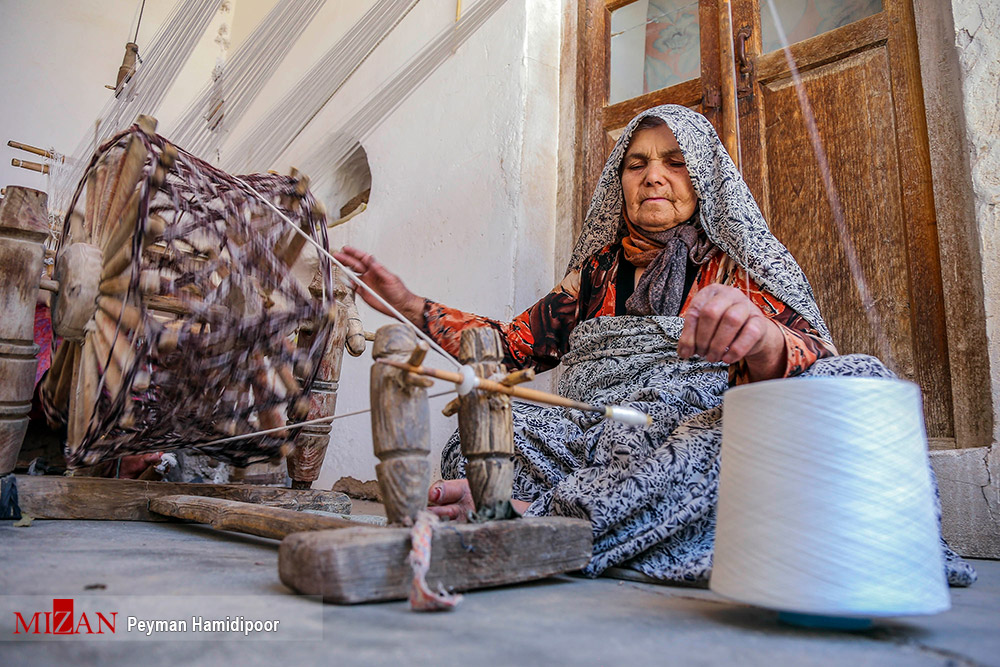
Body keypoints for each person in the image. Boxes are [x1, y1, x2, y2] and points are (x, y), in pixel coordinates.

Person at [335, 104, 976, 587]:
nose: (654, 177)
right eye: (636, 163)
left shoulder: (739, 264)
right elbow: (504, 349)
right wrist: (406, 301)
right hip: (590, 439)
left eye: (674, 161)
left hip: (686, 432)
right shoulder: (596, 275)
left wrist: (760, 340)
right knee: (483, 432)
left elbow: (815, 369)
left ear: (703, 179)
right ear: (620, 183)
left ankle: (549, 514)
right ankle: (572, 513)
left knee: (855, 384)